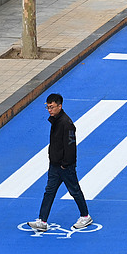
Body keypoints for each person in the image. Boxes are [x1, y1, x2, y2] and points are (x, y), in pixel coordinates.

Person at [28, 94, 93, 232]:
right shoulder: (56, 121)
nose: (49, 110)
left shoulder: (66, 123)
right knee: (49, 191)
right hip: (55, 165)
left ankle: (85, 216)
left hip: (65, 166)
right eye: (47, 107)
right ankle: (42, 220)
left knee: (74, 190)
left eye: (51, 107)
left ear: (60, 106)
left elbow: (70, 146)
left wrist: (65, 163)